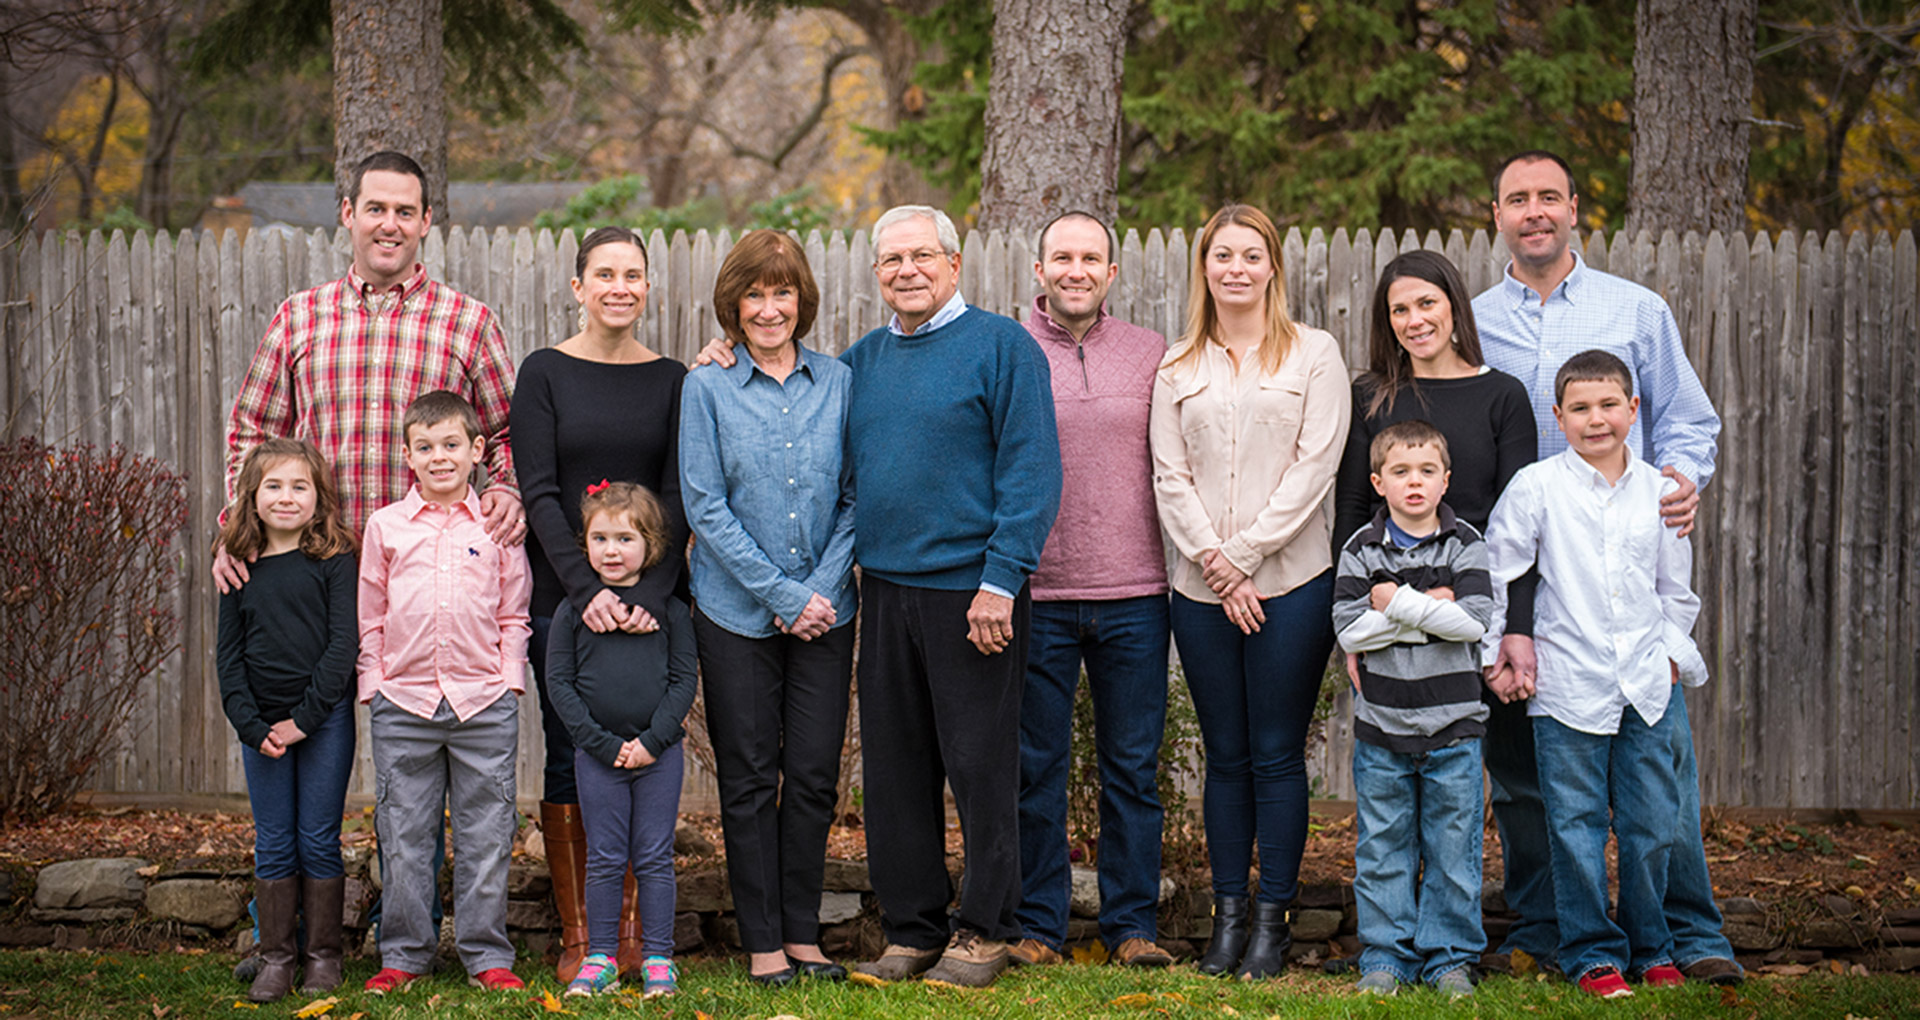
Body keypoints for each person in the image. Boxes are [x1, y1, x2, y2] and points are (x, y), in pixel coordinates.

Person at [219, 151, 521, 981]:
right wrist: (235, 529)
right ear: (346, 213)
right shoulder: (300, 317)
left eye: (407, 211)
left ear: (428, 222)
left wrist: (509, 494)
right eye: (375, 208)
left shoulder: (467, 321)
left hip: (426, 578)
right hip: (311, 576)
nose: (390, 223)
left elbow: (506, 432)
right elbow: (252, 433)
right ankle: (282, 937)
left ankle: (398, 929)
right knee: (310, 753)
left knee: (405, 762)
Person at [1473, 150, 1738, 985]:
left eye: (1549, 196)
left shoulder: (1636, 310)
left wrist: (1681, 483)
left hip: (1626, 563)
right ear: (1497, 217)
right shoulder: (1473, 321)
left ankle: (1686, 935)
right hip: (1523, 572)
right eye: (1518, 200)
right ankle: (1556, 930)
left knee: (1658, 780)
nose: (1535, 211)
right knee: (1526, 773)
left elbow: (1689, 422)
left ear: (1576, 208)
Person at [842, 206, 1061, 990]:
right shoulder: (861, 361)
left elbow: (1032, 471)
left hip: (974, 595)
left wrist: (1001, 579)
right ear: (876, 274)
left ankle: (987, 927)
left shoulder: (1003, 349)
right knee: (896, 769)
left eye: (922, 256)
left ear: (955, 262)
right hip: (886, 590)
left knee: (979, 766)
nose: (907, 270)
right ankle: (912, 928)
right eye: (892, 259)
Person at [1149, 203, 1350, 979]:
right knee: (1225, 757)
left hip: (1292, 583)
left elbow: (1316, 466)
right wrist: (1213, 562)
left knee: (1275, 755)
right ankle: (1226, 922)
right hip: (1199, 591)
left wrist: (1242, 556)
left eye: (1251, 255)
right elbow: (1170, 476)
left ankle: (1274, 925)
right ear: (1204, 268)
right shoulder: (1177, 366)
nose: (1236, 268)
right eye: (1222, 255)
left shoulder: (1313, 355)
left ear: (1273, 267)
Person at [1479, 350, 1711, 999]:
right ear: (1559, 416)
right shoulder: (1537, 487)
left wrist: (1668, 655)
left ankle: (1654, 944)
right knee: (1574, 827)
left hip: (1644, 686)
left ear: (1633, 410)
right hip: (1566, 685)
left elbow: (1676, 593)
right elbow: (1498, 574)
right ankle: (1590, 952)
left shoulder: (1660, 494)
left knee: (1650, 826)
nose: (1596, 418)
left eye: (1609, 404)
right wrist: (1495, 653)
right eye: (1579, 408)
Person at [510, 225, 689, 982]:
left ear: (648, 287)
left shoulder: (674, 378)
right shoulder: (545, 372)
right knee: (571, 754)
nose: (621, 286)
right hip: (564, 601)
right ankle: (583, 935)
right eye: (604, 273)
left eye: (634, 274)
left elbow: (681, 495)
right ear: (578, 286)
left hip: (652, 611)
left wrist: (645, 593)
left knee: (643, 751)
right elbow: (539, 491)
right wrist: (589, 592)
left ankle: (634, 936)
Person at [679, 230, 856, 987]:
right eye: (755, 293)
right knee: (749, 777)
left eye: (782, 292)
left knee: (814, 775)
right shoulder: (707, 387)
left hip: (828, 610)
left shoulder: (841, 382)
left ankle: (802, 934)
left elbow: (856, 495)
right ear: (733, 303)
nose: (769, 307)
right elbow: (703, 507)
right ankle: (761, 944)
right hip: (733, 614)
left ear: (801, 300)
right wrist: (783, 596)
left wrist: (817, 590)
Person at [1009, 212, 1175, 970]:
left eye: (1091, 258)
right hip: (1035, 592)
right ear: (1038, 269)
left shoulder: (1152, 356)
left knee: (1131, 768)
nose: (1075, 269)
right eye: (1061, 257)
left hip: (1136, 591)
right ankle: (1038, 928)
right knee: (1033, 767)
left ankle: (1133, 926)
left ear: (1112, 273)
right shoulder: (1006, 349)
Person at [357, 390, 531, 995]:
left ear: (477, 451)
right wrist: (374, 684)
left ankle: (487, 955)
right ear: (407, 455)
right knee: (404, 835)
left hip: (484, 702)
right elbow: (371, 613)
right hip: (402, 704)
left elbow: (514, 613)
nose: (439, 458)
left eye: (451, 445)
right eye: (425, 447)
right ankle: (404, 953)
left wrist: (510, 682)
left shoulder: (497, 525)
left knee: (488, 833)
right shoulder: (386, 526)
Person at [1332, 422, 1493, 998]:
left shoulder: (1466, 543)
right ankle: (1386, 955)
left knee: (1454, 849)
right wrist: (1431, 608)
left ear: (1445, 479)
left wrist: (1394, 602)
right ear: (1378, 482)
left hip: (1454, 727)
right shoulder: (1359, 549)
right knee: (1382, 847)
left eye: (1427, 471)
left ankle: (1450, 957)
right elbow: (1351, 632)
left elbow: (1474, 622)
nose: (1415, 482)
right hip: (1382, 728)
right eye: (1401, 471)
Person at [216, 438, 359, 1003]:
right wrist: (253, 726)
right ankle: (276, 956)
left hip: (322, 723)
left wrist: (304, 718)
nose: (286, 497)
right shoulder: (239, 566)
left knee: (317, 838)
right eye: (273, 485)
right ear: (251, 496)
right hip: (261, 729)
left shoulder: (335, 559)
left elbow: (342, 646)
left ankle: (323, 956)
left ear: (319, 497)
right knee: (274, 842)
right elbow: (228, 659)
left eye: (300, 486)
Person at [544, 482, 697, 1000]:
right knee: (605, 857)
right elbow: (560, 685)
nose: (612, 550)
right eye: (600, 538)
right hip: (597, 757)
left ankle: (658, 957)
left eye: (625, 539)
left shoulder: (671, 613)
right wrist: (603, 745)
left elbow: (683, 681)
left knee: (653, 856)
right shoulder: (575, 612)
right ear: (584, 544)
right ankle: (601, 957)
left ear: (650, 546)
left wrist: (654, 741)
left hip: (659, 756)